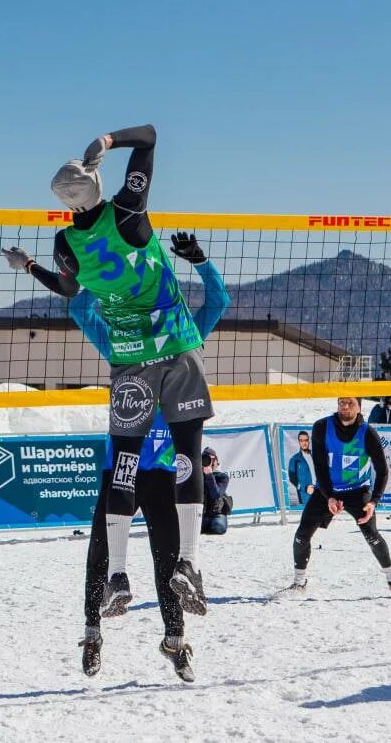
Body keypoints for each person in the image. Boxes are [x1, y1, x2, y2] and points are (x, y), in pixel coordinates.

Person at [53, 219, 227, 682]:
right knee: (100, 557)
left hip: (164, 473)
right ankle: (92, 633)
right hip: (123, 471)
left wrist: (201, 262)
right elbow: (80, 309)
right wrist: (95, 268)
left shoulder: (182, 332)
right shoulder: (120, 337)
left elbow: (219, 300)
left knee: (170, 563)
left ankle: (175, 642)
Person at [280, 396, 391, 600]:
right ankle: (299, 583)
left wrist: (374, 502)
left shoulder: (368, 433)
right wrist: (329, 497)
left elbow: (383, 471)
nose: (345, 406)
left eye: (350, 403)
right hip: (328, 489)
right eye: (341, 402)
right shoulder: (322, 427)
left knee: (372, 535)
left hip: (357, 490)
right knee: (301, 535)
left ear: (359, 406)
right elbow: (320, 466)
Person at [201, 447, 231, 535]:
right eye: (205, 459)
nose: (207, 461)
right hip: (202, 514)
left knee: (219, 527)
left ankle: (206, 526)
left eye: (210, 459)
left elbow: (216, 494)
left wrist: (209, 475)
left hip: (217, 513)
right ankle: (205, 525)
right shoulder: (198, 476)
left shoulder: (222, 477)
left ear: (215, 460)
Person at [287, 431, 315, 506]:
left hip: (320, 492)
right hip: (305, 496)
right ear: (299, 442)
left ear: (309, 441)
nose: (304, 443)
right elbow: (292, 478)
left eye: (306, 440)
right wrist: (305, 488)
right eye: (301, 440)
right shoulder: (294, 459)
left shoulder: (316, 455)